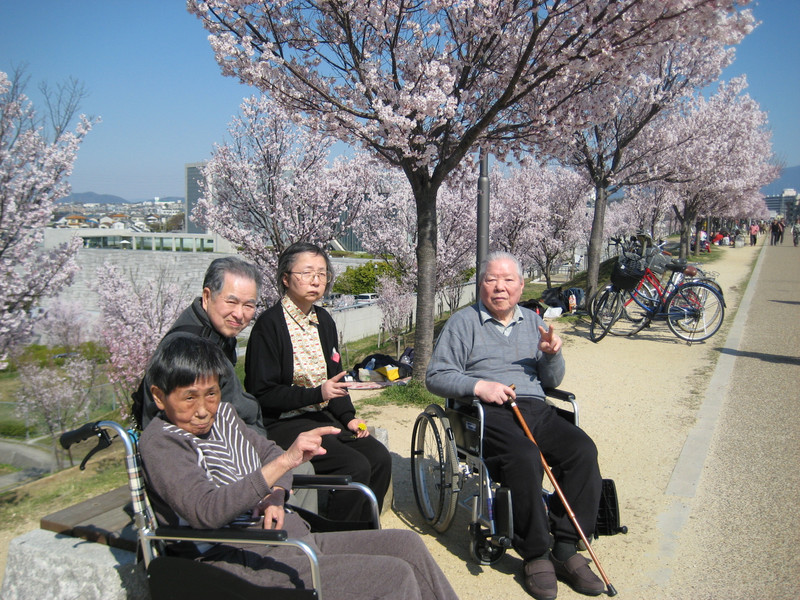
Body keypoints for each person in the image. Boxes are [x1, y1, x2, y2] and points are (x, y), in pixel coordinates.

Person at [140, 334, 458, 600]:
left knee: (406, 545)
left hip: (290, 539)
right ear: (159, 397)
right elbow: (206, 511)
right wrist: (286, 462)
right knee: (393, 576)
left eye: (211, 393)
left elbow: (269, 452)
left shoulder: (224, 415)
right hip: (238, 559)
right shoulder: (162, 442)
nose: (202, 409)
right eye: (189, 398)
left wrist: (277, 492)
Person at [426, 251, 604, 600]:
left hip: (534, 407)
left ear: (521, 287)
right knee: (524, 456)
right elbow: (436, 376)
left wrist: (552, 355)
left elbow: (551, 381)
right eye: (492, 280)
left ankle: (566, 546)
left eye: (508, 280)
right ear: (481, 286)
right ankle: (536, 552)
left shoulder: (532, 320)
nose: (500, 287)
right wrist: (480, 386)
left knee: (582, 450)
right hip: (487, 412)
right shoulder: (463, 323)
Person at [134, 256, 316, 511]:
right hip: (213, 464)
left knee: (305, 466)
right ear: (207, 296)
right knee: (294, 483)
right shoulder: (195, 350)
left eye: (249, 305)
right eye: (231, 302)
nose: (239, 314)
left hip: (237, 444)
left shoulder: (216, 333)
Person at [245, 242, 391, 522]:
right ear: (286, 279)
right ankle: (337, 538)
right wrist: (316, 394)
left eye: (322, 274)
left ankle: (366, 530)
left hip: (320, 416)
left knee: (379, 456)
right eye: (307, 272)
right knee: (355, 466)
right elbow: (263, 393)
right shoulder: (270, 325)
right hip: (284, 422)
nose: (316, 280)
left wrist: (348, 417)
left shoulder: (323, 320)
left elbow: (335, 379)